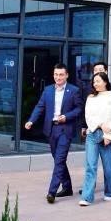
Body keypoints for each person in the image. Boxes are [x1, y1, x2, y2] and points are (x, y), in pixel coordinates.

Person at [24, 63, 84, 204]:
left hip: (65, 129)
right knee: (58, 159)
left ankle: (51, 192)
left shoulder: (74, 90)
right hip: (51, 129)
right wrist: (31, 120)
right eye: (56, 74)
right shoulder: (48, 90)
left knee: (59, 160)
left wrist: (66, 116)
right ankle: (67, 187)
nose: (58, 77)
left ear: (67, 75)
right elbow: (40, 106)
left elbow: (79, 109)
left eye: (61, 74)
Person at [78, 72, 111, 206]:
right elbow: (88, 116)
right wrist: (101, 124)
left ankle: (110, 193)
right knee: (91, 166)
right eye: (94, 81)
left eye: (98, 81)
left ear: (105, 82)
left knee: (109, 168)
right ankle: (87, 197)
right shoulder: (91, 98)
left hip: (108, 136)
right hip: (92, 134)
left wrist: (109, 137)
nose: (95, 84)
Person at [80, 61, 108, 139]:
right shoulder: (87, 89)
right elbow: (85, 109)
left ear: (106, 72)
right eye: (96, 70)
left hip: (107, 129)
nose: (98, 72)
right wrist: (83, 126)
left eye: (100, 70)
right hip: (91, 129)